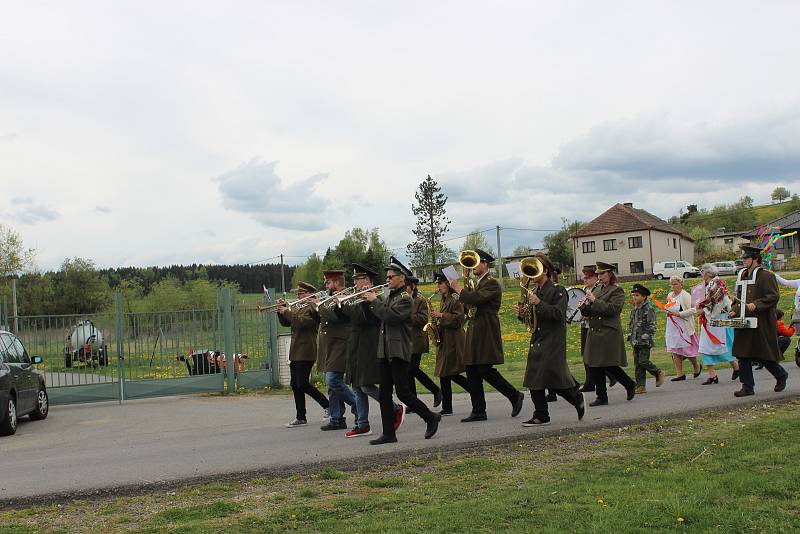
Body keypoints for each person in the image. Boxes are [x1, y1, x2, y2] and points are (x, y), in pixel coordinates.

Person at [363, 256, 441, 445]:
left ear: (401, 278)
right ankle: (389, 433)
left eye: (391, 276)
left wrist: (374, 301)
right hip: (385, 350)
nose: (388, 279)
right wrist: (366, 303)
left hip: (398, 350)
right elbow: (376, 319)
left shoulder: (406, 299)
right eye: (387, 276)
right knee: (383, 394)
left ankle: (430, 418)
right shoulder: (389, 297)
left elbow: (390, 317)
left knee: (403, 393)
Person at [448, 248, 525, 422]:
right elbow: (470, 306)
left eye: (477, 263)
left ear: (485, 264)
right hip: (475, 330)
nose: (474, 266)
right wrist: (461, 297)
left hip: (486, 331)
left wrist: (460, 290)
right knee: (472, 370)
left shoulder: (491, 283)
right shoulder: (478, 284)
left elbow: (476, 299)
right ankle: (478, 410)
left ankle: (514, 395)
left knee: (484, 369)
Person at [514, 254, 585, 426]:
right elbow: (533, 320)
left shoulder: (558, 291)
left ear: (545, 270)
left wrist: (538, 303)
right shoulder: (535, 292)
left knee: (553, 381)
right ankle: (541, 414)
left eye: (536, 268)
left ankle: (575, 397)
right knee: (534, 379)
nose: (531, 273)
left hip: (553, 341)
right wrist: (522, 315)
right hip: (538, 339)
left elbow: (558, 315)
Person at [337, 264, 404, 438]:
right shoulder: (358, 296)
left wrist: (349, 302)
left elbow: (362, 318)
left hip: (369, 344)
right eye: (355, 280)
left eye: (358, 279)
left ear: (367, 280)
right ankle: (362, 424)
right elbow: (345, 318)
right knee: (357, 386)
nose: (355, 283)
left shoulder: (379, 295)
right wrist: (341, 302)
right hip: (356, 344)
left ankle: (395, 408)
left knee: (366, 385)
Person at [731, 245, 789, 397]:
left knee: (763, 354)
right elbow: (738, 297)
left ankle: (781, 375)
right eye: (743, 258)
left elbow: (773, 296)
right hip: (743, 320)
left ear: (755, 259)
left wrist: (756, 305)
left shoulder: (767, 276)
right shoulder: (742, 275)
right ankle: (747, 387)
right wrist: (734, 310)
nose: (743, 260)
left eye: (746, 258)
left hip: (761, 321)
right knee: (743, 354)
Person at [580, 261, 637, 406]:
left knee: (608, 364)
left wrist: (594, 301)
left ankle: (629, 384)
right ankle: (602, 396)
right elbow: (592, 310)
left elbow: (613, 310)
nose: (599, 276)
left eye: (602, 274)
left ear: (610, 274)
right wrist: (584, 308)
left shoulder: (616, 290)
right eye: (598, 274)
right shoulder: (597, 289)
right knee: (594, 364)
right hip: (595, 330)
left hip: (607, 331)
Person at [275, 282, 330, 428]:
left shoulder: (313, 309)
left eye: (301, 293)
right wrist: (280, 311)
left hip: (306, 350)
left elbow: (302, 323)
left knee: (303, 383)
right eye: (298, 293)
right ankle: (301, 417)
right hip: (295, 350)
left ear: (310, 294)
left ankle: (327, 405)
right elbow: (288, 323)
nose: (298, 296)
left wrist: (287, 312)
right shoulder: (298, 307)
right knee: (295, 384)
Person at [317, 270, 357, 431]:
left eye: (328, 282)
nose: (326, 285)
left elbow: (336, 317)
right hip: (330, 344)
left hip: (341, 343)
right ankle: (337, 418)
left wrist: (318, 305)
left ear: (337, 282)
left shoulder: (346, 295)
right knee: (332, 383)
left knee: (333, 380)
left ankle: (356, 405)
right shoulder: (330, 297)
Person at [429, 270, 471, 416]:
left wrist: (441, 315)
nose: (438, 286)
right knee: (444, 374)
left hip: (454, 340)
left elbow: (459, 319)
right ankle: (447, 407)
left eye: (440, 283)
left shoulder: (455, 298)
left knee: (450, 373)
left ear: (447, 283)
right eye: (437, 283)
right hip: (445, 340)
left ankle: (473, 389)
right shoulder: (444, 298)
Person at [696, 263, 739, 384]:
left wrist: (703, 310)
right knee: (706, 345)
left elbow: (717, 304)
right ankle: (713, 375)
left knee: (720, 343)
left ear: (707, 273)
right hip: (712, 318)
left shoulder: (715, 284)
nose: (701, 275)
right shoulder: (712, 284)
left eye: (702, 272)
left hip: (716, 318)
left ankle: (735, 367)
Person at [405, 276, 442, 411]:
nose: (404, 289)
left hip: (417, 340)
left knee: (412, 369)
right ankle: (413, 403)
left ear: (413, 287)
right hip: (406, 340)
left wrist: (407, 314)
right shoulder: (403, 300)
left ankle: (436, 390)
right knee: (408, 373)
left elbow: (422, 319)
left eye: (406, 286)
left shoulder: (420, 301)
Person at [577, 266, 616, 393]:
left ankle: (612, 376)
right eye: (584, 277)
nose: (585, 280)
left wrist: (589, 312)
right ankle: (590, 382)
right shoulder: (584, 290)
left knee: (596, 357)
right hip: (586, 325)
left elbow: (608, 309)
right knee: (586, 355)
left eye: (588, 277)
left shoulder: (599, 291)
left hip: (596, 326)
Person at [627, 283, 665, 394]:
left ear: (644, 297)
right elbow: (632, 324)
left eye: (637, 295)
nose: (634, 297)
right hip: (635, 341)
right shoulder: (634, 309)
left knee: (643, 361)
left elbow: (652, 326)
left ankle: (658, 372)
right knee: (638, 365)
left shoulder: (649, 309)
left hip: (645, 342)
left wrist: (644, 337)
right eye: (633, 295)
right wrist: (630, 336)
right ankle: (640, 386)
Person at [665, 276, 702, 381]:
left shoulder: (685, 295)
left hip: (684, 327)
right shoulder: (670, 295)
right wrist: (667, 310)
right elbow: (668, 306)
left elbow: (694, 309)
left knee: (687, 350)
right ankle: (680, 373)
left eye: (676, 284)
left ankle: (696, 365)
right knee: (675, 350)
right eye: (672, 284)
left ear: (681, 284)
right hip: (672, 326)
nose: (673, 286)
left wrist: (680, 313)